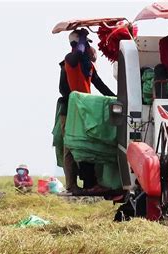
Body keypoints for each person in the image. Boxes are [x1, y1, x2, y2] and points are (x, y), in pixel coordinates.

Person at [58, 28, 116, 193]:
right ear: (78, 44)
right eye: (87, 44)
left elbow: (100, 85)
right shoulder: (70, 60)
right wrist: (82, 39)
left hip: (84, 109)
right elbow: (64, 89)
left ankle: (90, 183)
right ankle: (73, 185)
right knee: (72, 147)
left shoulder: (87, 65)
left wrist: (117, 98)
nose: (91, 48)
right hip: (70, 110)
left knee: (85, 145)